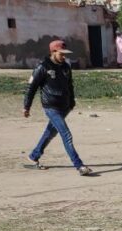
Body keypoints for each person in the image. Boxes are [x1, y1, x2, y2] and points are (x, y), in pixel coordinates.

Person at [23, 39, 92, 176]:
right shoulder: (42, 67)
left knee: (50, 133)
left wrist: (71, 102)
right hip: (51, 107)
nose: (64, 56)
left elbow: (70, 85)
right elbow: (31, 88)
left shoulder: (66, 67)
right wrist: (27, 106)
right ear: (53, 52)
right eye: (62, 54)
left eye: (65, 54)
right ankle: (79, 165)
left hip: (64, 106)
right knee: (66, 135)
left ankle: (34, 156)